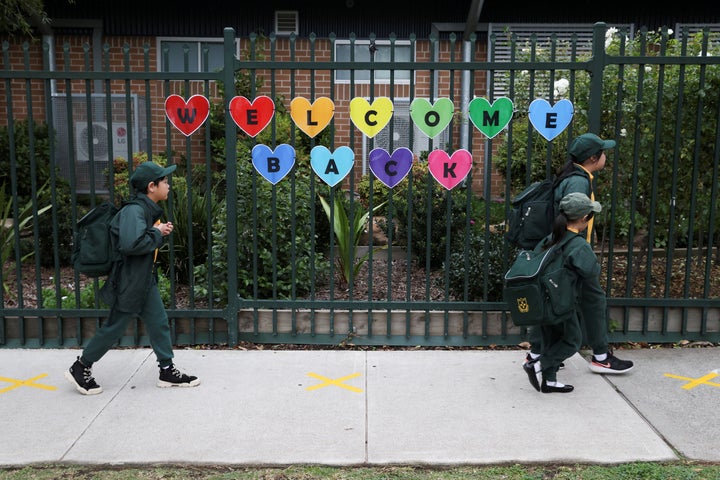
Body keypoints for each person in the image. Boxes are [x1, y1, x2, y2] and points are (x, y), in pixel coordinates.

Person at [65, 161, 200, 395]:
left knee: (158, 323)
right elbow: (131, 244)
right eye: (165, 181)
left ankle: (166, 370)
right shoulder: (134, 211)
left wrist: (158, 232)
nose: (168, 185)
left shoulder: (144, 210)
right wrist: (157, 233)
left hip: (143, 279)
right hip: (129, 281)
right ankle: (81, 367)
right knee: (114, 327)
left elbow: (140, 240)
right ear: (151, 186)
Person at [525, 133, 634, 375]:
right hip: (572, 255)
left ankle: (535, 354)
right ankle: (601, 356)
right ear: (593, 158)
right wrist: (577, 252)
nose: (606, 155)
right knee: (593, 301)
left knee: (556, 303)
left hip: (565, 252)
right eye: (603, 152)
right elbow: (571, 217)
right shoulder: (578, 182)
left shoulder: (574, 176)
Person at [523, 193, 607, 393]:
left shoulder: (549, 239)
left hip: (543, 301)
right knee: (571, 341)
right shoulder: (578, 245)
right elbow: (592, 271)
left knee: (552, 339)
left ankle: (549, 381)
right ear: (583, 219)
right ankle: (537, 365)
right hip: (562, 303)